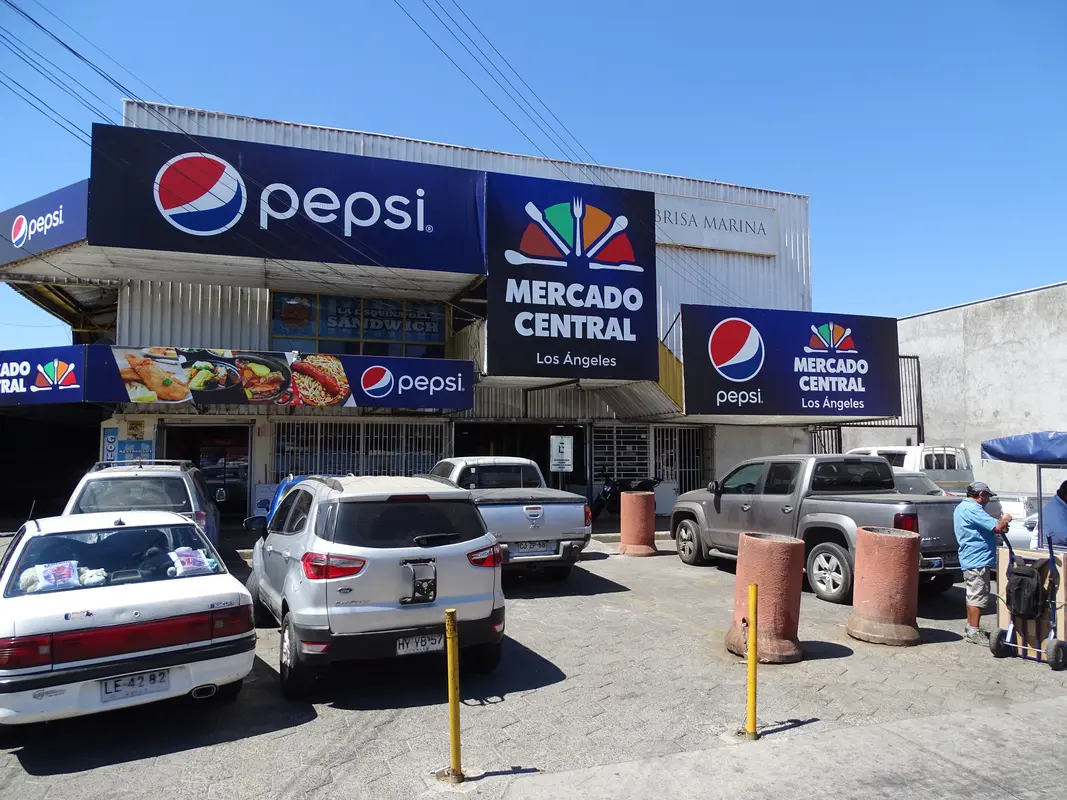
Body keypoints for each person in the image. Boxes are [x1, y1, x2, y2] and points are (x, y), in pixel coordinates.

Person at [952, 481, 1011, 644]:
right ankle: (973, 631)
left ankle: (971, 627)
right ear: (981, 495)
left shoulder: (962, 507)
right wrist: (1005, 519)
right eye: (987, 496)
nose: (988, 500)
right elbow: (997, 527)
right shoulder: (973, 509)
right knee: (977, 595)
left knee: (973, 594)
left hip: (971, 557)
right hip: (977, 559)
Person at [1038, 480, 1067, 548]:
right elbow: (1065, 536)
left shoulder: (1061, 504)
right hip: (1050, 548)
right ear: (1065, 495)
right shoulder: (1056, 509)